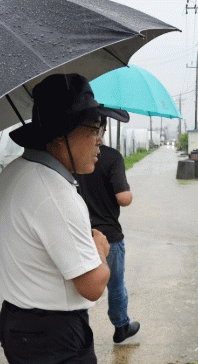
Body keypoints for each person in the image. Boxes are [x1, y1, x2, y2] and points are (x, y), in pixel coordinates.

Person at [0, 73, 129, 364]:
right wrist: (101, 251)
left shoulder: (13, 174)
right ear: (59, 136)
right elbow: (92, 286)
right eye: (93, 128)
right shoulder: (54, 192)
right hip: (55, 340)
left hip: (17, 324)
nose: (100, 140)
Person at [75, 119, 140, 344]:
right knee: (115, 285)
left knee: (78, 286)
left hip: (80, 233)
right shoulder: (112, 157)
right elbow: (123, 198)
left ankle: (79, 332)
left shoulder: (70, 157)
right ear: (104, 128)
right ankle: (121, 326)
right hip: (108, 236)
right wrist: (129, 191)